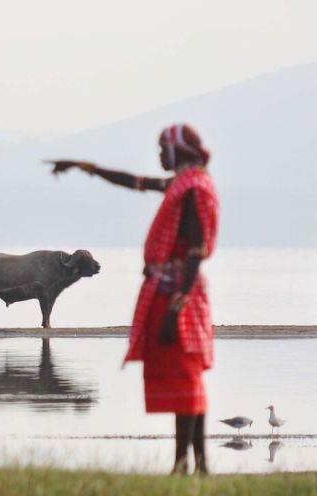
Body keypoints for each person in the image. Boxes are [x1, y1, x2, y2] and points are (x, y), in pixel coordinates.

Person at [48, 123, 219, 475]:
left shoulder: (193, 189)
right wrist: (88, 168)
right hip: (170, 290)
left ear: (178, 150)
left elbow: (196, 250)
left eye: (162, 148)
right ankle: (196, 464)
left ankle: (183, 464)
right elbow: (134, 182)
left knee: (184, 376)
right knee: (185, 377)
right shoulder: (183, 183)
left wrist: (176, 307)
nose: (158, 155)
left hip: (177, 293)